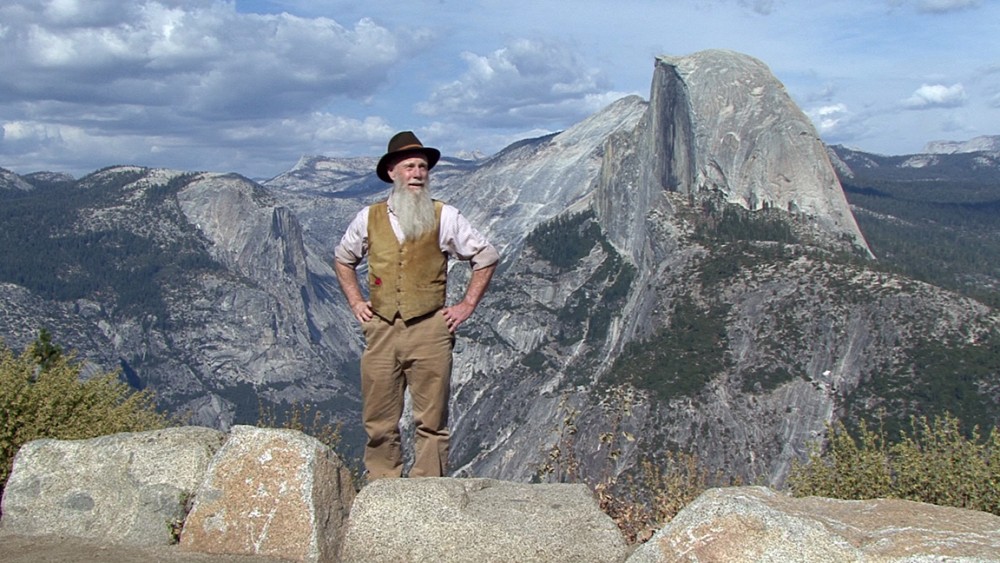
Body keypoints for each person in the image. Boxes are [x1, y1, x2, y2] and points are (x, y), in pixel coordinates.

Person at [333, 131, 499, 478]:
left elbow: (485, 256)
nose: (418, 173)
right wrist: (356, 302)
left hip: (430, 329)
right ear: (392, 172)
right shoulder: (368, 218)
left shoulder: (445, 216)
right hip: (380, 329)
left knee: (432, 420)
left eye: (423, 167)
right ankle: (383, 487)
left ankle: (427, 494)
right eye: (409, 166)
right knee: (378, 418)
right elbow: (343, 259)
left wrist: (467, 305)